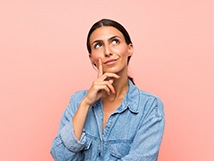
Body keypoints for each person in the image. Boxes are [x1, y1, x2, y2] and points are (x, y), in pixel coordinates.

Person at [50, 19, 165, 161]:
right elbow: (61, 156)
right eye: (98, 45)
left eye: (115, 42)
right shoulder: (77, 101)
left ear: (129, 49)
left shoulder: (149, 106)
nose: (107, 51)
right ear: (91, 58)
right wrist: (86, 103)